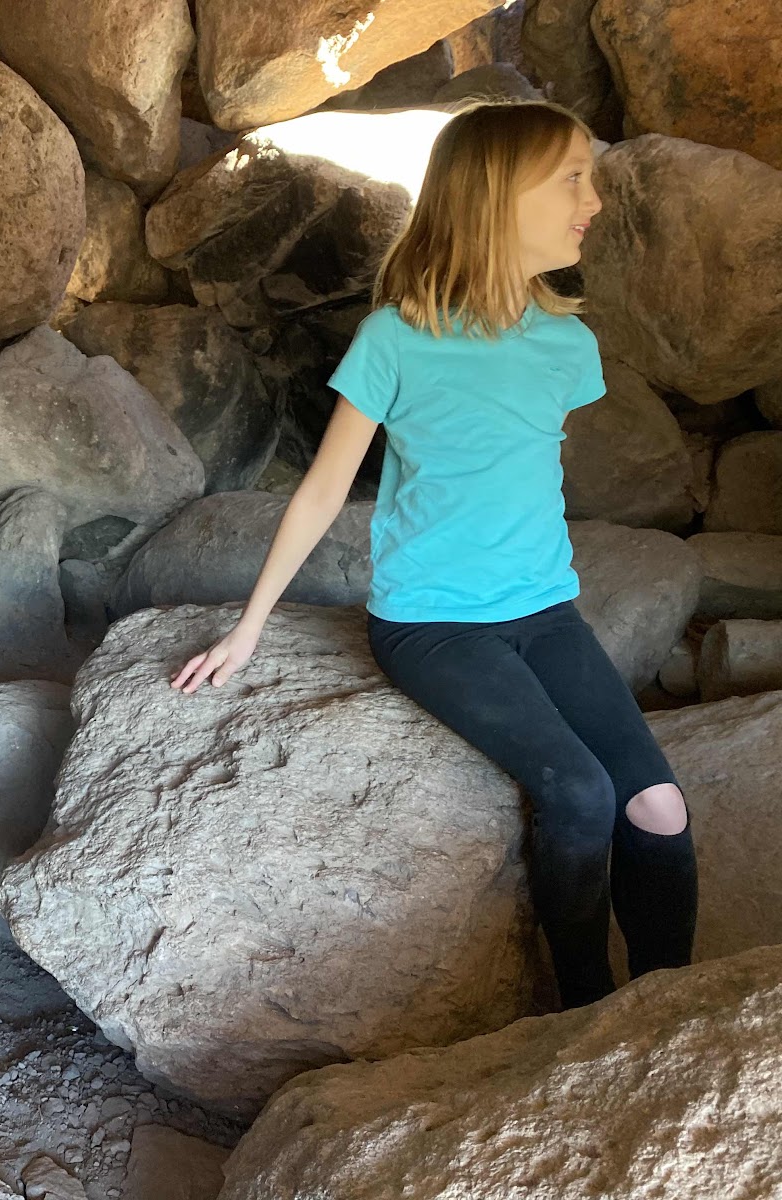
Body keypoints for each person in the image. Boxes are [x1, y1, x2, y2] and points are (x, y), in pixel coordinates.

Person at [171, 100, 696, 1010]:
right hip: (434, 627)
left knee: (658, 807)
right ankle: (585, 1010)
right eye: (573, 178)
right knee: (578, 791)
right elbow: (325, 490)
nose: (595, 201)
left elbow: (524, 467)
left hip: (545, 613)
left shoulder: (566, 343)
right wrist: (249, 629)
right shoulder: (397, 337)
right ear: (497, 196)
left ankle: (668, 1010)